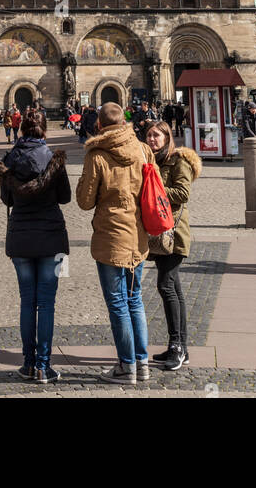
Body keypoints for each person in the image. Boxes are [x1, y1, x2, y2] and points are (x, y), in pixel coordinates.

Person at [76, 100, 155, 384]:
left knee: (118, 303)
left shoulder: (97, 155)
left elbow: (85, 201)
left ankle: (126, 366)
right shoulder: (144, 149)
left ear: (99, 125)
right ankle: (142, 363)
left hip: (111, 238)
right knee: (135, 300)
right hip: (138, 235)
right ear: (125, 122)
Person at [0, 111, 70, 384]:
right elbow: (65, 198)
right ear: (44, 132)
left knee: (27, 301)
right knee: (47, 304)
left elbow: (7, 199)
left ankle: (28, 363)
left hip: (21, 238)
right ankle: (43, 366)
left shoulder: (9, 160)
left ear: (21, 131)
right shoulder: (55, 159)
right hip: (52, 237)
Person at [144, 120, 200, 370]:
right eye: (149, 135)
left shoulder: (179, 161)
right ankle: (180, 347)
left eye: (157, 135)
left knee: (166, 286)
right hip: (161, 231)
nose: (152, 139)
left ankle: (177, 345)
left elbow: (183, 193)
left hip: (175, 232)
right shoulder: (153, 160)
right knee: (173, 288)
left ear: (167, 137)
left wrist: (154, 191)